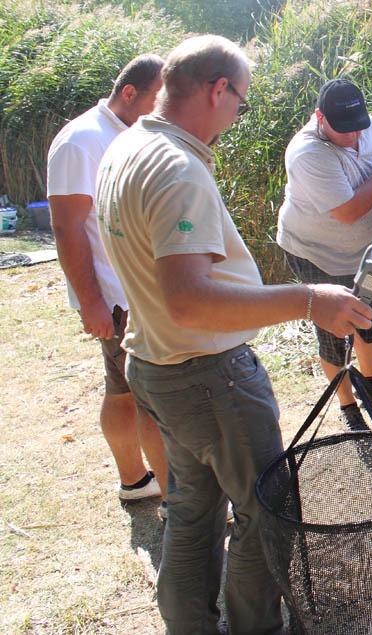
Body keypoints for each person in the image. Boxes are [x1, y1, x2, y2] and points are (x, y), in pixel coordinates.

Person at [96, 34, 372, 634]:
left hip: (156, 368)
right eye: (242, 103)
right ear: (218, 88)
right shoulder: (176, 168)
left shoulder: (128, 145)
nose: (238, 115)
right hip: (207, 375)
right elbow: (189, 299)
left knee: (193, 510)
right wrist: (308, 299)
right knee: (265, 512)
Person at [46, 53, 169, 508]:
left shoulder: (133, 133)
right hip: (117, 299)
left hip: (135, 292)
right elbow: (66, 227)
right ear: (129, 92)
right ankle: (177, 499)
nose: (164, 108)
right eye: (158, 98)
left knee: (122, 389)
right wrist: (91, 302)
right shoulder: (81, 141)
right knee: (152, 400)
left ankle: (136, 481)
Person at [276, 78, 372, 430]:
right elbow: (349, 212)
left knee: (369, 317)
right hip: (316, 253)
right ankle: (348, 404)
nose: (353, 137)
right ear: (320, 117)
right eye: (343, 130)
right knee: (335, 329)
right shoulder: (307, 154)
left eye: (358, 128)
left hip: (360, 250)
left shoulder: (370, 129)